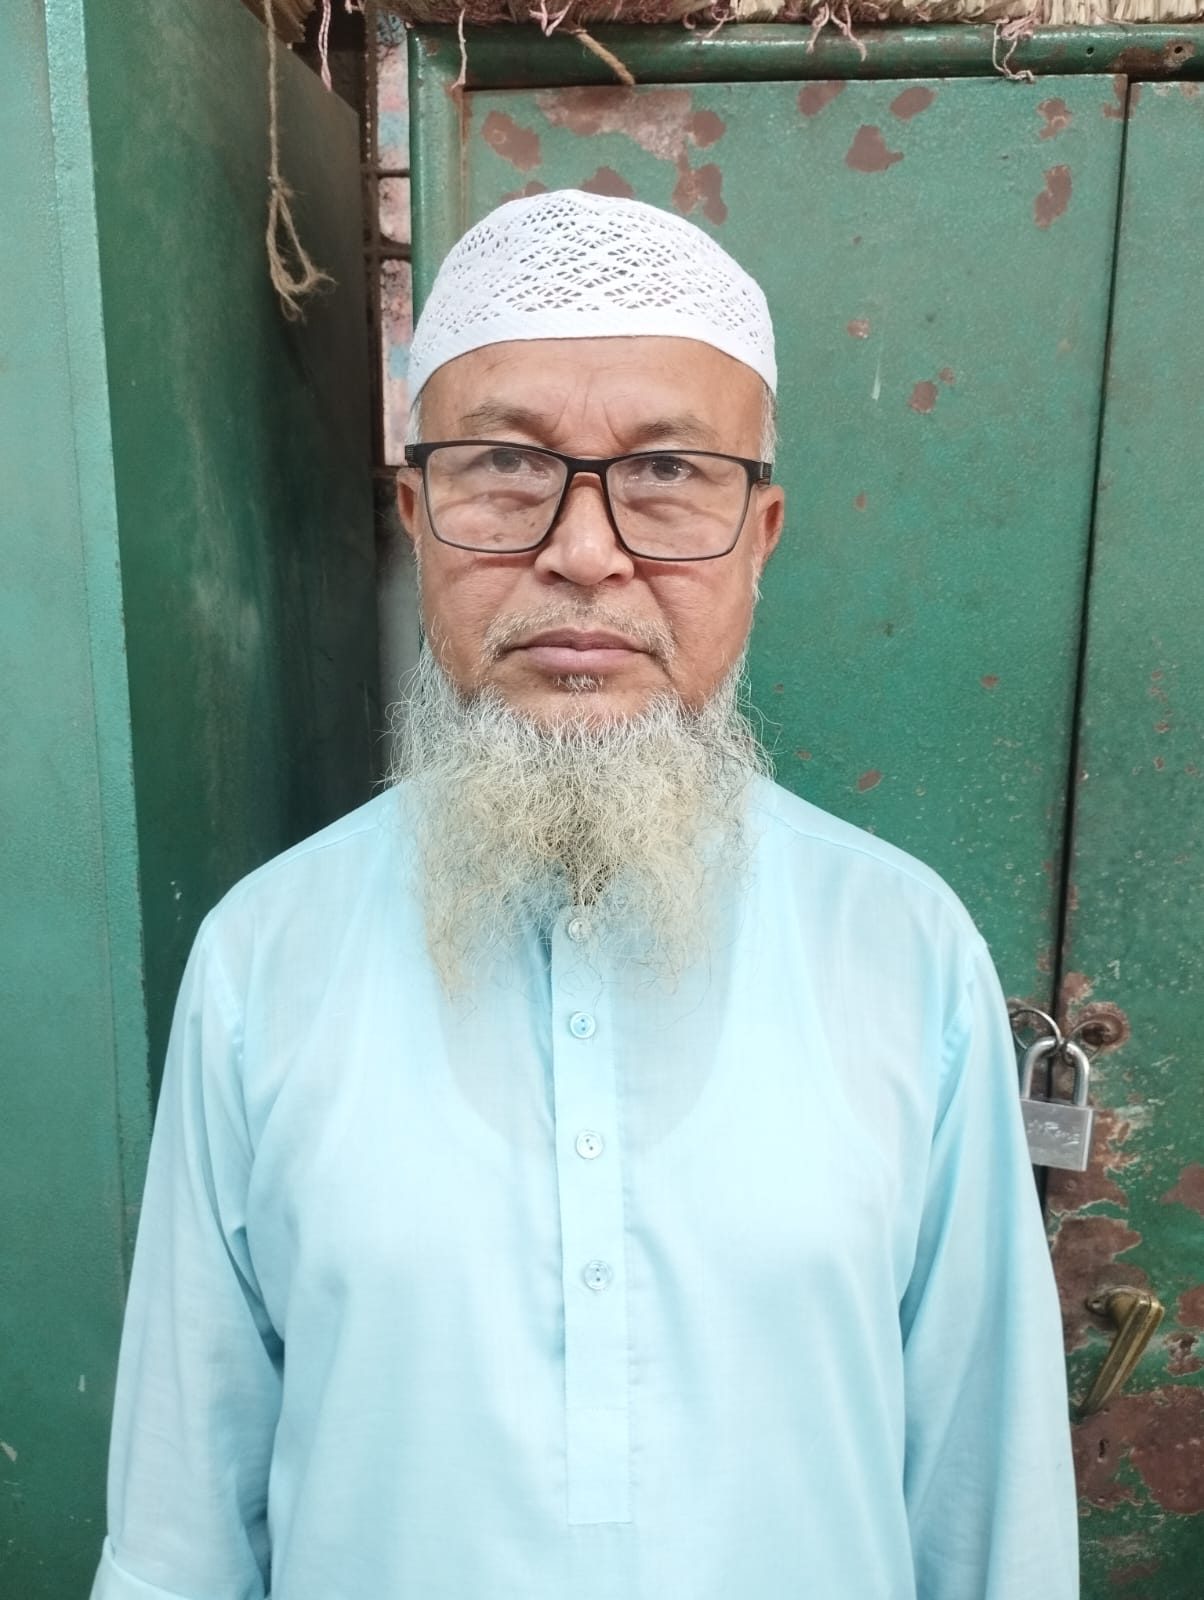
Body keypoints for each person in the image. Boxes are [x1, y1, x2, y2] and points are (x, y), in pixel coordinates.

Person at [90, 189, 1078, 1600]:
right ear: (418, 516)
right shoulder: (264, 955)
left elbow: (993, 1519)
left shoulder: (904, 950)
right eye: (507, 466)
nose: (586, 549)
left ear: (762, 534)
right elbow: (181, 1532)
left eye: (667, 472)